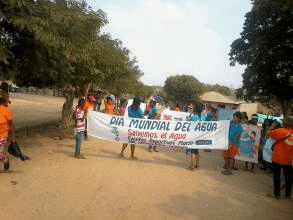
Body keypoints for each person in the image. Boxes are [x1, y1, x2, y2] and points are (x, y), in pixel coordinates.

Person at [267, 116, 293, 200]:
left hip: (277, 157)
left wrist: (272, 126)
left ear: (286, 123)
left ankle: (277, 194)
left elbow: (268, 133)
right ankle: (288, 195)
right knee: (288, 178)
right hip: (289, 159)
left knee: (277, 176)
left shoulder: (280, 131)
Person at [187, 102, 206, 171]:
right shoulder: (204, 117)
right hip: (200, 136)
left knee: (193, 151)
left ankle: (192, 165)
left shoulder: (193, 117)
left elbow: (190, 127)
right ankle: (197, 165)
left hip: (194, 135)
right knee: (197, 150)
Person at [222, 111, 243, 175]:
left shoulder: (240, 126)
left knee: (231, 157)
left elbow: (237, 136)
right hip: (227, 142)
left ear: (239, 118)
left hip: (234, 144)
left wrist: (232, 144)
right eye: (234, 117)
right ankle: (227, 168)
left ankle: (229, 170)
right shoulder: (230, 123)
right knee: (225, 156)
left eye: (236, 117)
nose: (234, 118)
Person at [0, 88, 15, 171]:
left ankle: (6, 160)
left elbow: (10, 122)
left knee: (0, 153)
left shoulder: (6, 110)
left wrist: (13, 137)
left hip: (2, 135)